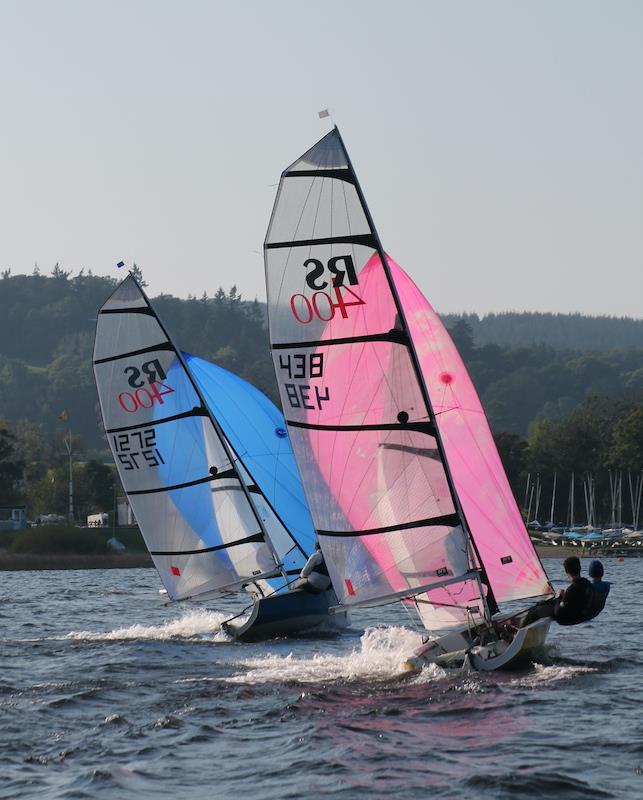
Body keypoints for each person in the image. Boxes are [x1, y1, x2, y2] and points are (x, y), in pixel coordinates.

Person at [521, 556, 593, 627]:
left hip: (566, 617)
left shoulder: (572, 589)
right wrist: (562, 596)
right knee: (544, 603)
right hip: (577, 613)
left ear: (566, 571)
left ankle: (519, 631)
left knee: (533, 611)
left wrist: (559, 597)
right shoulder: (586, 583)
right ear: (579, 568)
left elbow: (559, 612)